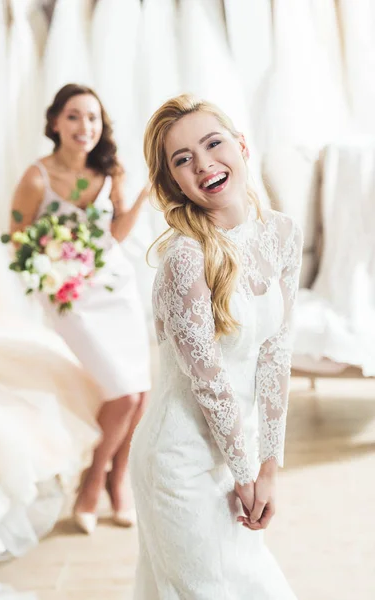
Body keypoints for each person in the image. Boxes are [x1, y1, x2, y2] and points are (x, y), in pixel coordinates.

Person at [129, 94, 303, 598]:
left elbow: (276, 354)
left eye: (213, 144)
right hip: (178, 460)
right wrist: (247, 475)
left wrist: (270, 467)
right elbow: (210, 384)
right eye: (183, 160)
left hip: (237, 454)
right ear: (174, 183)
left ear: (241, 145)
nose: (203, 164)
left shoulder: (282, 234)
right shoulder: (185, 258)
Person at [11, 83, 151, 534]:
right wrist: (54, 267)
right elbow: (16, 243)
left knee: (142, 395)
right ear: (55, 122)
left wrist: (145, 196)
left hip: (116, 287)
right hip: (69, 297)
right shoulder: (37, 177)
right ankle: (93, 483)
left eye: (92, 118)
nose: (84, 127)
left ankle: (118, 484)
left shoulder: (112, 172)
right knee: (123, 394)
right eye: (74, 116)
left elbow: (117, 233)